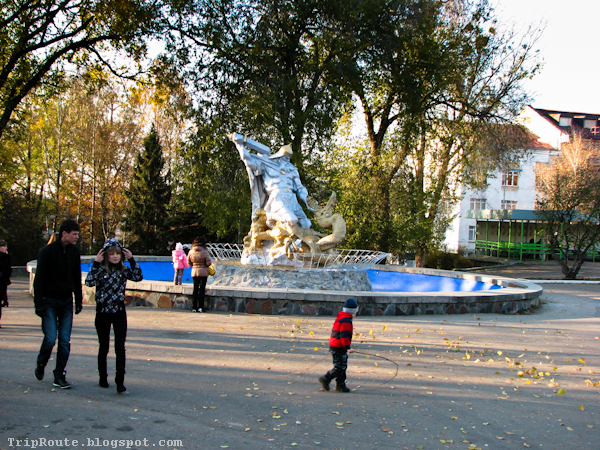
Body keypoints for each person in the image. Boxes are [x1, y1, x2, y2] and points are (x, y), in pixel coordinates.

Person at [85, 238, 142, 393]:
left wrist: (131, 260)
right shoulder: (100, 270)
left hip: (118, 311)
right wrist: (96, 263)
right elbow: (89, 282)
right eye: (112, 254)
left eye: (118, 253)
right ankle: (103, 377)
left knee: (120, 347)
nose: (115, 256)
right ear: (106, 255)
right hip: (103, 311)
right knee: (104, 347)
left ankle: (120, 380)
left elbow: (138, 277)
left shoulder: (123, 270)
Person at [33, 219, 83, 389]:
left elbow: (76, 276)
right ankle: (41, 363)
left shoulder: (74, 252)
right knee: (50, 338)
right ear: (64, 234)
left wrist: (78, 299)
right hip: (49, 301)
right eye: (74, 234)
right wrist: (38, 304)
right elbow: (39, 279)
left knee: (64, 340)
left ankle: (59, 374)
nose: (77, 237)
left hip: (66, 300)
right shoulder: (47, 252)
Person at [231, 133, 312, 230]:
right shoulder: (266, 164)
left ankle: (296, 243)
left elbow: (300, 188)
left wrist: (308, 200)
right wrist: (239, 145)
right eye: (285, 157)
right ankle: (270, 216)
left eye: (288, 158)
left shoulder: (292, 169)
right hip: (278, 197)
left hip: (292, 198)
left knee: (306, 225)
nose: (286, 161)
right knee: (292, 220)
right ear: (279, 156)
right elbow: (248, 160)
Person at [318, 298, 359, 393]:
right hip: (338, 346)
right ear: (353, 311)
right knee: (340, 367)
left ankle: (340, 385)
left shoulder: (342, 317)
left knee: (342, 365)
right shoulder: (346, 321)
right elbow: (343, 336)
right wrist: (348, 348)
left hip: (336, 345)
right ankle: (326, 378)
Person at [187, 236, 212, 313]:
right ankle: (201, 307)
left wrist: (194, 265)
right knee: (202, 290)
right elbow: (209, 262)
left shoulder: (191, 251)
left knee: (195, 290)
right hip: (204, 272)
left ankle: (194, 307)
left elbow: (189, 262)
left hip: (194, 272)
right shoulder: (205, 251)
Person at [0, 240, 11, 328]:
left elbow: (8, 269)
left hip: (2, 281)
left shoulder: (6, 257)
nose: (5, 248)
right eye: (4, 246)